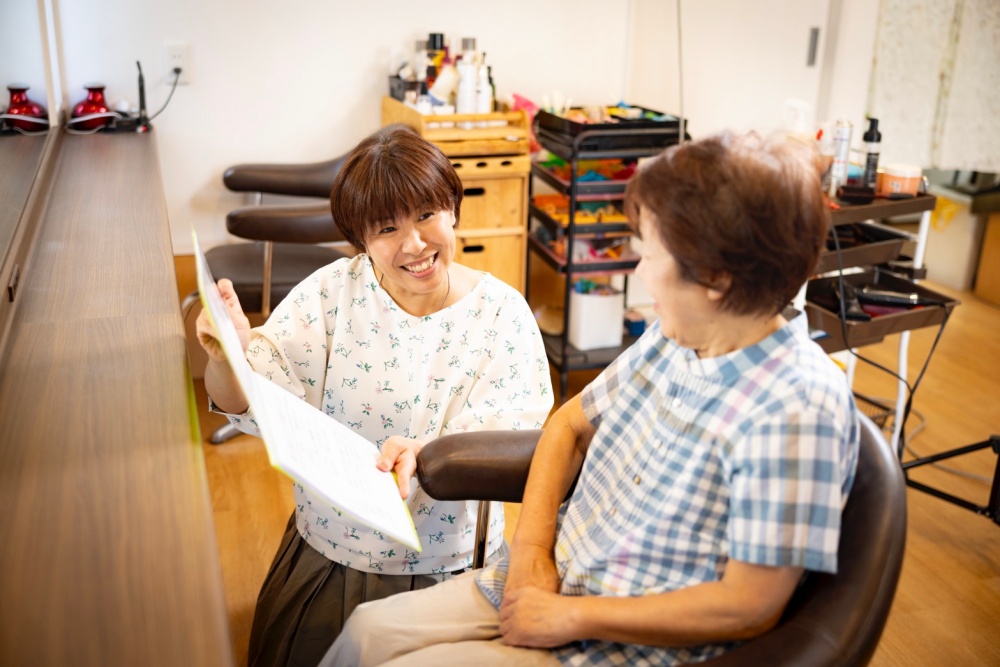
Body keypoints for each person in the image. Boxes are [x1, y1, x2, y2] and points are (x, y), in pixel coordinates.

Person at [322, 131, 860, 666]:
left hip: (616, 639)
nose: (638, 270)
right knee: (367, 632)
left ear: (716, 278)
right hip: (558, 575)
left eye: (651, 253)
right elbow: (567, 426)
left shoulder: (797, 407)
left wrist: (571, 618)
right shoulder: (679, 334)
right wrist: (532, 556)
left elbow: (749, 607)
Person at [196, 124, 553, 666]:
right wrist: (226, 357)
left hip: (450, 564)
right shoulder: (330, 294)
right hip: (332, 553)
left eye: (427, 215)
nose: (414, 244)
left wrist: (427, 454)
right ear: (362, 239)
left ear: (453, 210)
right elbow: (249, 404)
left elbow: (512, 443)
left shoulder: (501, 314)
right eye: (387, 228)